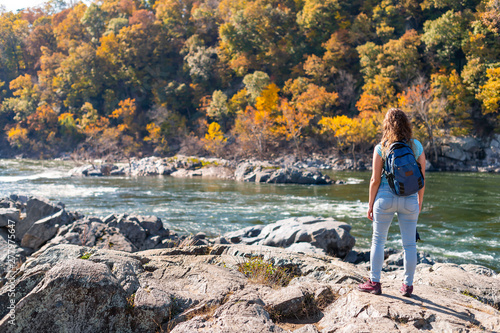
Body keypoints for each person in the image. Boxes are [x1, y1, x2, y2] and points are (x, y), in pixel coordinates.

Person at [358, 108, 426, 297]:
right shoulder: (416, 146)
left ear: (386, 125)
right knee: (410, 245)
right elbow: (422, 178)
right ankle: (407, 286)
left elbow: (375, 180)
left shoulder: (382, 147)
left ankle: (375, 282)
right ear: (407, 124)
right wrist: (419, 201)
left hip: (385, 198)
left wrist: (370, 204)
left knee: (378, 241)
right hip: (410, 199)